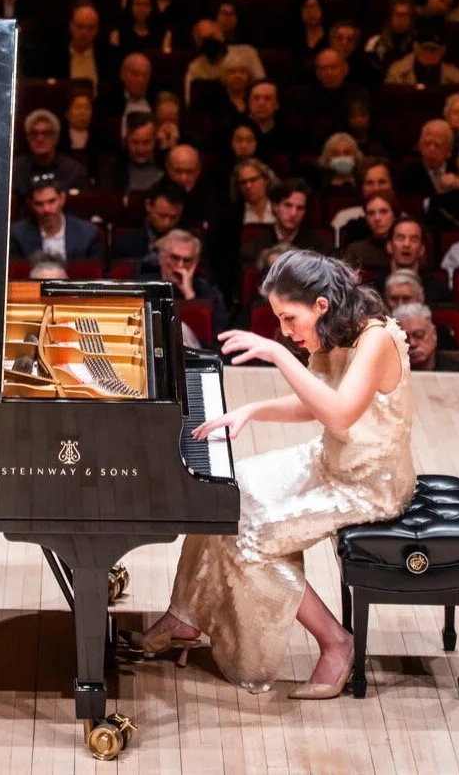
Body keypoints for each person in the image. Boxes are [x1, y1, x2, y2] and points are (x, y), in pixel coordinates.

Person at [125, 250, 415, 700]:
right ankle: (185, 618)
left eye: (289, 318)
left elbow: (338, 414)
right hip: (330, 461)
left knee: (255, 539)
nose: (285, 330)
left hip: (368, 484)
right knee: (224, 491)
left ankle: (337, 642)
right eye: (280, 320)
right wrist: (252, 410)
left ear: (321, 305)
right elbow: (317, 403)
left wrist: (279, 354)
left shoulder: (375, 340)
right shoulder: (335, 330)